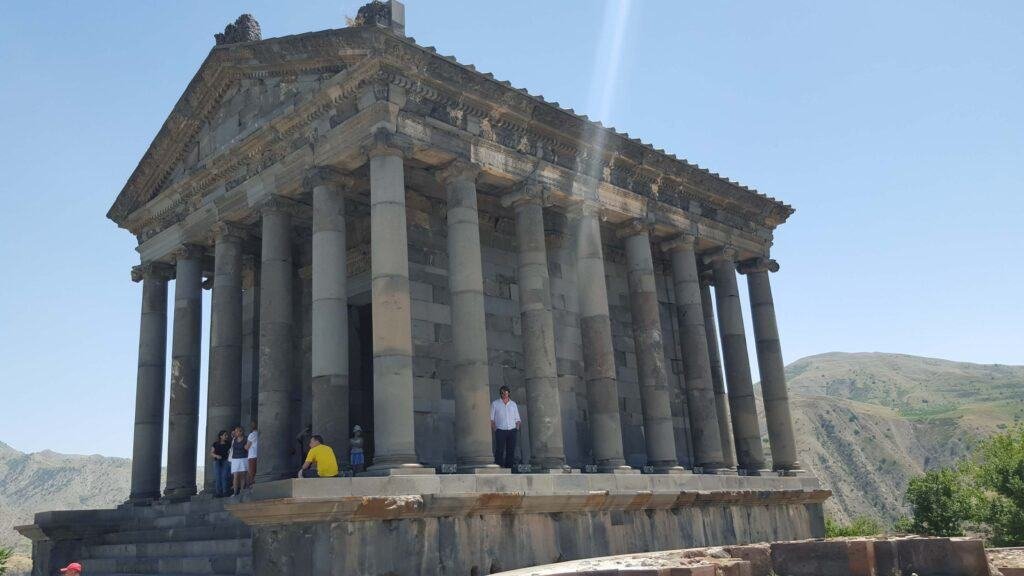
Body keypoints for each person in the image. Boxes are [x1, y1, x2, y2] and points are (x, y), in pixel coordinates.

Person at [490, 385, 521, 469]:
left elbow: (517, 418)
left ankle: (509, 467)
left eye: (506, 393)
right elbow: (491, 419)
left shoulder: (513, 404)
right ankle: (499, 465)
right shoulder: (495, 404)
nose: (504, 395)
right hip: (500, 430)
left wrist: (516, 428)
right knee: (499, 449)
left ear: (509, 393)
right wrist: (495, 429)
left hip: (512, 430)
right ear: (500, 394)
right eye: (503, 393)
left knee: (511, 450)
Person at [209, 430, 231, 497]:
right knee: (217, 476)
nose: (226, 436)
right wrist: (216, 456)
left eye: (226, 435)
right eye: (225, 435)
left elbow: (230, 452)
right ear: (221, 436)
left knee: (224, 476)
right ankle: (218, 492)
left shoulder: (228, 444)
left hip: (226, 461)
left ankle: (225, 492)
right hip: (217, 461)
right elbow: (211, 453)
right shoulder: (215, 444)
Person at [230, 425, 249, 496]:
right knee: (235, 476)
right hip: (235, 459)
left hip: (243, 458)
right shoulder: (234, 439)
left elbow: (247, 447)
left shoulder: (246, 439)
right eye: (235, 431)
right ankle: (235, 492)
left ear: (241, 432)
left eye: (237, 431)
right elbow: (232, 434)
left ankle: (242, 491)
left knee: (243, 475)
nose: (236, 432)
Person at [245, 421, 259, 488]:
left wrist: (244, 446)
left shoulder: (251, 435)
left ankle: (251, 486)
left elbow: (247, 447)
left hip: (252, 455)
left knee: (251, 472)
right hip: (258, 454)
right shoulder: (259, 434)